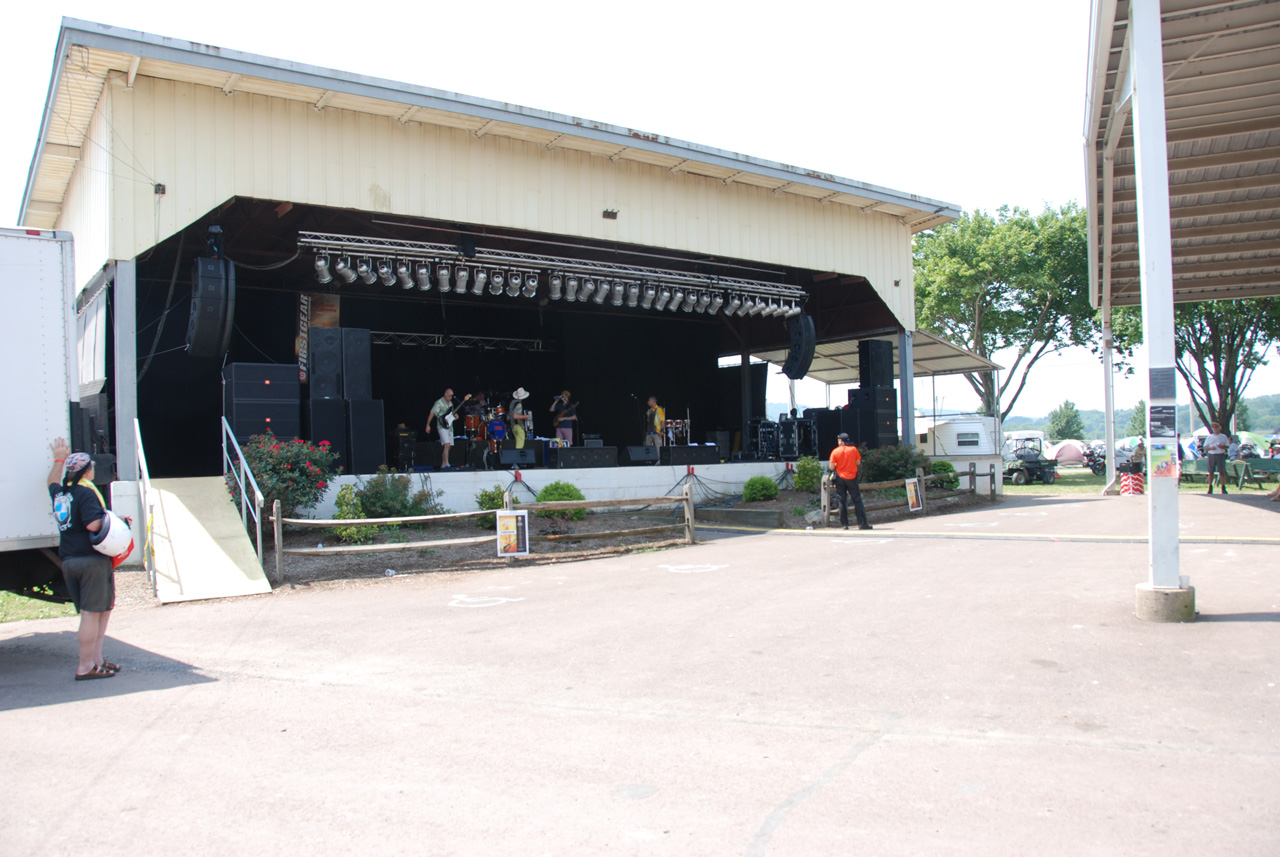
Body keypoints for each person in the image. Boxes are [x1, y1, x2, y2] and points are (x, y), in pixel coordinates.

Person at [47, 439, 117, 680]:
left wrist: (58, 459)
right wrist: (112, 522)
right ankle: (86, 666)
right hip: (91, 560)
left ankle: (96, 661)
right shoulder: (85, 493)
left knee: (97, 611)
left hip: (69, 560)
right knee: (91, 613)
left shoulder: (60, 493)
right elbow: (93, 524)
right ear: (87, 471)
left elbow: (51, 482)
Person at [827, 433, 871, 530]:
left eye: (839, 440)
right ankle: (862, 524)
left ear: (841, 441)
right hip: (851, 477)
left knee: (842, 500)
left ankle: (844, 525)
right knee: (857, 500)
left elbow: (831, 467)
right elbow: (858, 462)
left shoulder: (835, 451)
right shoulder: (853, 450)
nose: (838, 442)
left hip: (840, 478)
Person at [426, 388, 456, 469]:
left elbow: (451, 414)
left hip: (450, 426)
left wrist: (455, 416)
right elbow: (432, 413)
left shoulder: (451, 403)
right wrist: (428, 425)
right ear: (445, 395)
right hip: (441, 426)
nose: (450, 398)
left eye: (451, 396)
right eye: (449, 396)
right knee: (447, 444)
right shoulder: (439, 402)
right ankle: (446, 463)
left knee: (449, 446)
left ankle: (443, 464)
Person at [1204, 421, 1230, 495]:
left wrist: (1222, 447)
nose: (1215, 428)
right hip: (1212, 454)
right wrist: (1210, 448)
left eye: (1216, 427)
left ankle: (1223, 487)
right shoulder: (1210, 437)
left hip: (1220, 454)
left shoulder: (1223, 436)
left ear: (1219, 428)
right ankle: (1210, 487)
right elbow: (1205, 447)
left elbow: (1227, 446)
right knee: (1211, 472)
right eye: (1213, 427)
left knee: (1221, 472)